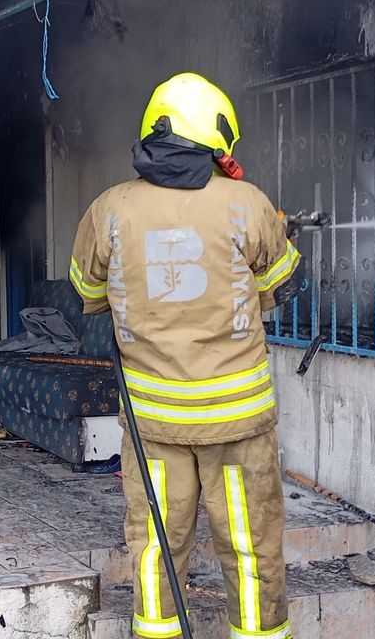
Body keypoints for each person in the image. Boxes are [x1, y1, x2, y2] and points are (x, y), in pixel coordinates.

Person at [69, 73, 301, 639]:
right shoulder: (248, 204)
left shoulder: (109, 209)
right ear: (217, 137)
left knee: (155, 547)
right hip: (237, 420)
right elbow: (281, 287)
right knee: (250, 547)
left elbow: (88, 292)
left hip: (153, 422)